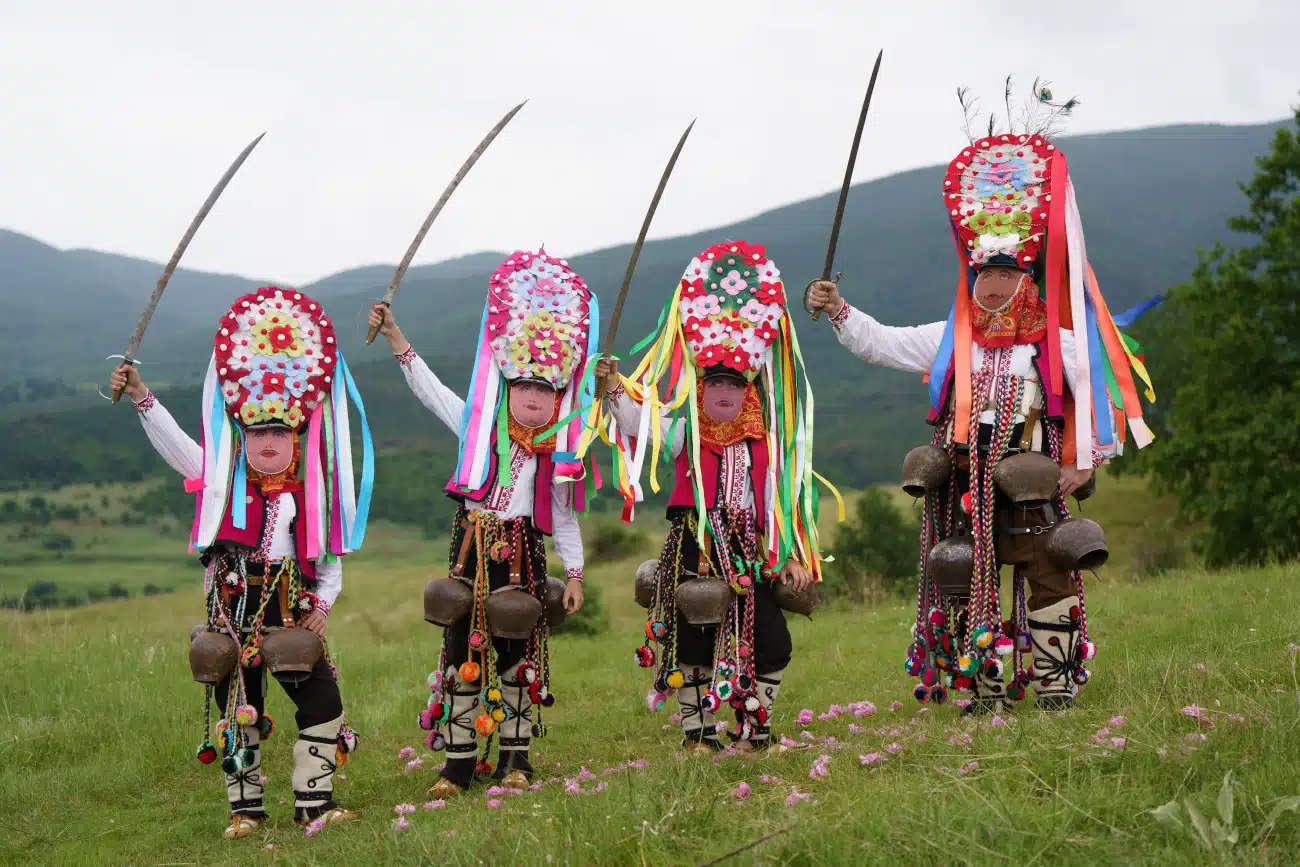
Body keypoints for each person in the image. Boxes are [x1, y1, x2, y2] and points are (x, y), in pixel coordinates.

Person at [807, 86, 1156, 712]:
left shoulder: (1057, 339)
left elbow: (1097, 383)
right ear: (971, 277)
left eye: (1004, 275)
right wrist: (839, 312)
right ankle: (981, 689)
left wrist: (1085, 460)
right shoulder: (951, 338)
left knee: (1050, 567)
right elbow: (880, 343)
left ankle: (1054, 687)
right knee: (963, 572)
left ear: (1025, 277)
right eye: (983, 276)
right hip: (964, 476)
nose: (992, 286)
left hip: (1034, 472)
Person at [111, 286, 373, 838]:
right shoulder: (221, 485)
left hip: (289, 616)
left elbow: (329, 560)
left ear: (296, 436)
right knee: (239, 712)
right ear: (244, 436)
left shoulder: (312, 494)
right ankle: (246, 814)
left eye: (280, 431)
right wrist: (141, 396)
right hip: (231, 616)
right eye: (259, 432)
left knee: (323, 703)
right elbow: (178, 446)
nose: (270, 441)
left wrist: (323, 604)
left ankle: (314, 805)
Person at [369, 248, 595, 797]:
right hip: (471, 547)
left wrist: (579, 574)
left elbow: (563, 515)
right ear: (509, 386)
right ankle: (458, 765)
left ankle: (516, 761)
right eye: (525, 387)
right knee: (459, 652)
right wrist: (397, 338)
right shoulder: (476, 429)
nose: (535, 397)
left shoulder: (557, 452)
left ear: (558, 395)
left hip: (523, 552)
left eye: (546, 389)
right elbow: (430, 391)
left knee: (518, 652)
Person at [595, 239, 835, 754]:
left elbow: (781, 501)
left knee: (773, 643)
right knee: (694, 639)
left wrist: (791, 553)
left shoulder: (767, 442)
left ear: (750, 386)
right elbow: (642, 424)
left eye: (734, 383)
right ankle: (698, 738)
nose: (723, 392)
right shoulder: (684, 428)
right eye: (713, 382)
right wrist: (615, 388)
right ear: (699, 386)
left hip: (750, 548)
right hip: (693, 544)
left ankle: (753, 734)